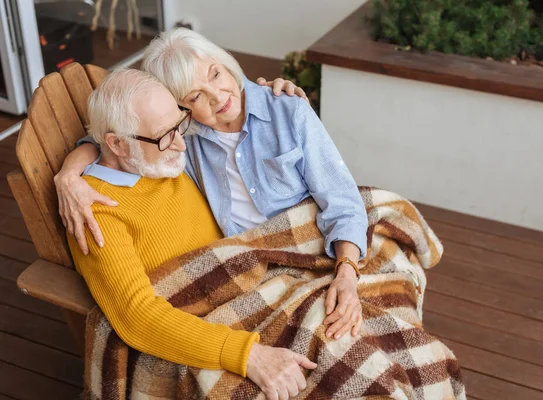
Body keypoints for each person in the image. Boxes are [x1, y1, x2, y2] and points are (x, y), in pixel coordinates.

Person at [56, 28, 368, 347]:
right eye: (195, 97)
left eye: (216, 73)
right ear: (180, 109)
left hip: (315, 247)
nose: (218, 96)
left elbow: (342, 202)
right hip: (247, 268)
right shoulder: (184, 139)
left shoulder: (287, 109)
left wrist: (346, 272)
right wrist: (69, 174)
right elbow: (115, 143)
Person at [69, 69, 317, 400]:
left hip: (255, 284)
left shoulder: (158, 158)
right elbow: (137, 317)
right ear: (117, 143)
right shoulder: (94, 210)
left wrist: (269, 94)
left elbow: (216, 97)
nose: (181, 143)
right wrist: (249, 356)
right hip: (202, 334)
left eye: (180, 125)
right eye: (164, 135)